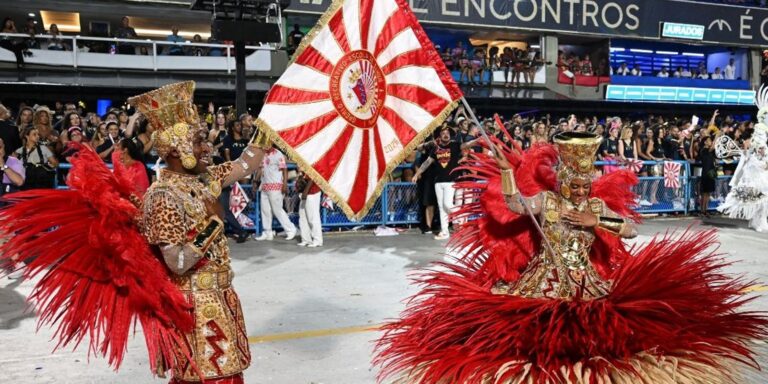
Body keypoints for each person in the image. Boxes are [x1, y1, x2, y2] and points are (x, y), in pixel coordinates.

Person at [375, 131, 768, 383]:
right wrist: (505, 170)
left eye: (585, 184)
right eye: (574, 184)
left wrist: (596, 222)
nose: (580, 190)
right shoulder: (545, 200)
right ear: (563, 181)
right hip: (544, 274)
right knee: (532, 327)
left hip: (585, 277)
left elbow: (631, 229)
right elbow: (513, 203)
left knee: (599, 329)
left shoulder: (594, 205)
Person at [412, 126, 479, 240]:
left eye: (448, 133)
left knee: (447, 204)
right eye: (443, 133)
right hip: (438, 182)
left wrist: (477, 141)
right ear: (440, 136)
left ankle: (461, 216)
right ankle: (445, 232)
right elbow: (427, 163)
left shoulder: (455, 145)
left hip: (450, 181)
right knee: (442, 207)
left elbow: (467, 145)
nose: (446, 134)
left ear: (450, 135)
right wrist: (417, 174)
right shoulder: (436, 149)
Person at [719, 94, 768, 231]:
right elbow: (758, 146)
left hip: (762, 165)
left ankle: (761, 221)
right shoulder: (760, 129)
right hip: (756, 167)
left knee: (764, 196)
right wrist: (763, 155)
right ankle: (756, 221)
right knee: (758, 194)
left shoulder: (764, 129)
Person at [253, 143, 297, 241]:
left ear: (271, 143)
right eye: (264, 144)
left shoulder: (278, 154)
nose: (265, 146)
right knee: (265, 210)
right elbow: (260, 169)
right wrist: (256, 181)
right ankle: (267, 232)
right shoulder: (262, 154)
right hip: (264, 186)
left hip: (276, 186)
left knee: (277, 210)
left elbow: (284, 169)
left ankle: (291, 229)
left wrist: (285, 184)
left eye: (267, 143)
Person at [296, 173, 323, 247]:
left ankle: (317, 240)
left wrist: (306, 191)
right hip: (304, 192)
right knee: (303, 217)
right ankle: (306, 239)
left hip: (312, 192)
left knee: (313, 217)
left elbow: (313, 175)